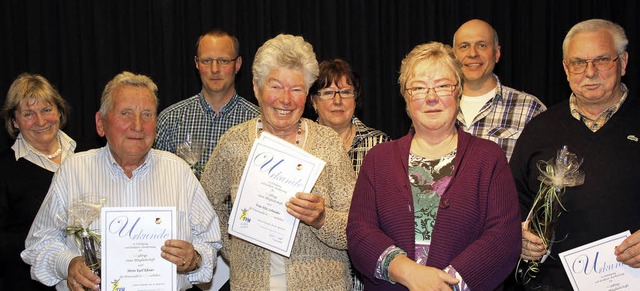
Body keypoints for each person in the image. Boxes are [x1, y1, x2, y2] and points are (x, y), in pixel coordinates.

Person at [21, 71, 222, 291]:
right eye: (126, 113)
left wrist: (195, 258)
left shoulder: (179, 172)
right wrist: (68, 263)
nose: (138, 125)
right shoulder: (73, 172)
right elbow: (38, 244)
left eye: (147, 114)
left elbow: (210, 243)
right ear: (101, 123)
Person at [346, 42, 521, 290]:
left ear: (458, 91)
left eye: (442, 86)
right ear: (406, 97)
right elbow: (359, 232)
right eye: (419, 88)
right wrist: (409, 273)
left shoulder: (488, 158)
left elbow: (503, 237)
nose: (431, 98)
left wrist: (444, 286)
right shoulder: (378, 159)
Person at [201, 34, 356, 290]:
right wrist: (236, 244)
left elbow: (356, 227)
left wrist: (321, 219)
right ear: (256, 87)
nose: (285, 99)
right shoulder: (235, 142)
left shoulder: (327, 143)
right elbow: (205, 203)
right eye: (275, 86)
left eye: (296, 89)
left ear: (306, 94)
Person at [512, 19, 639, 290]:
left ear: (623, 62)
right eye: (578, 62)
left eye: (602, 60)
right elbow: (511, 202)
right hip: (551, 283)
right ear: (566, 69)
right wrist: (516, 236)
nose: (590, 72)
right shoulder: (539, 128)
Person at [0, 73, 76, 290]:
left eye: (46, 110)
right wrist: (47, 242)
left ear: (59, 112)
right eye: (28, 114)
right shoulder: (4, 169)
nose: (41, 121)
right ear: (14, 121)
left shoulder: (87, 155)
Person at [155, 28, 260, 178]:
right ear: (197, 63)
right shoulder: (170, 120)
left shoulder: (258, 122)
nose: (214, 69)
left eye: (223, 61)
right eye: (206, 61)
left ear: (237, 64)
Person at [452, 19, 546, 160]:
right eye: (464, 46)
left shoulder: (530, 109)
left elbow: (545, 173)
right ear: (453, 56)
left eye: (482, 45)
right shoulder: (435, 106)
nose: (472, 53)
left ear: (497, 53)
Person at [309, 59, 390, 176]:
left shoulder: (379, 144)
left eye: (345, 92)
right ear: (314, 102)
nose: (337, 101)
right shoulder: (302, 145)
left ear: (355, 99)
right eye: (328, 93)